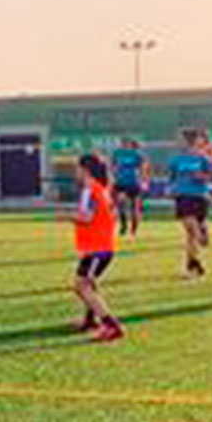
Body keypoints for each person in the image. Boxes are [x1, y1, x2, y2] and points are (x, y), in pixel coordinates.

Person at [69, 153, 125, 341]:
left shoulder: (90, 190)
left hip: (97, 249)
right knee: (89, 284)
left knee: (81, 286)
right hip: (101, 247)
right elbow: (112, 216)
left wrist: (64, 216)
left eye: (77, 168)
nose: (75, 172)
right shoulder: (102, 189)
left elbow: (86, 217)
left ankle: (111, 326)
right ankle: (89, 320)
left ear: (85, 170)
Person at [167, 128, 212, 277]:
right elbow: (171, 177)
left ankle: (191, 264)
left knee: (192, 235)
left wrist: (202, 176)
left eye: (182, 140)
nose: (180, 143)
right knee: (191, 230)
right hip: (182, 197)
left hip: (200, 196)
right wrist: (170, 188)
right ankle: (195, 263)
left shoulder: (203, 158)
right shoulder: (177, 159)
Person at [109, 137, 148, 238]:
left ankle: (133, 230)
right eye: (123, 143)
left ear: (131, 144)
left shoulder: (136, 154)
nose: (125, 145)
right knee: (121, 203)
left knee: (135, 208)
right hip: (121, 183)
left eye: (127, 143)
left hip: (134, 183)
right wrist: (113, 176)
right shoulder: (117, 153)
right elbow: (112, 166)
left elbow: (143, 167)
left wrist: (143, 180)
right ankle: (123, 225)